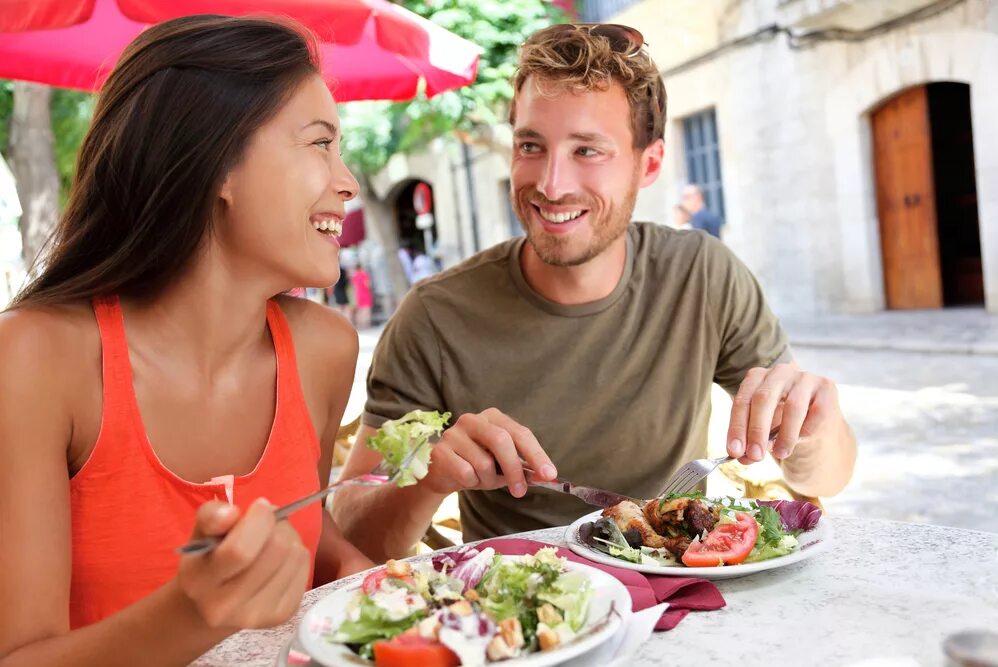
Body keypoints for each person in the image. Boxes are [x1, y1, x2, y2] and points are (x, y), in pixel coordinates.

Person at [334, 23, 856, 561]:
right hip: (516, 618)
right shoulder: (435, 315)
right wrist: (429, 478)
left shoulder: (702, 275)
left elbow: (831, 478)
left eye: (587, 151)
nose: (552, 184)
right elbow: (349, 537)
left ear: (648, 164)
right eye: (531, 145)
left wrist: (813, 429)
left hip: (678, 596)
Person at [0, 16, 373, 666]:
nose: (348, 183)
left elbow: (312, 538)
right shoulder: (36, 360)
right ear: (215, 164)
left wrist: (362, 574)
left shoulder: (325, 349)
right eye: (320, 143)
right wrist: (189, 615)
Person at [350, 265, 373, 329]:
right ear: (361, 268)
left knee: (360, 310)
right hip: (365, 294)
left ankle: (360, 324)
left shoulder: (354, 276)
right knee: (366, 310)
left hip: (358, 294)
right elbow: (367, 285)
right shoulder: (364, 274)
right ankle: (367, 324)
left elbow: (353, 287)